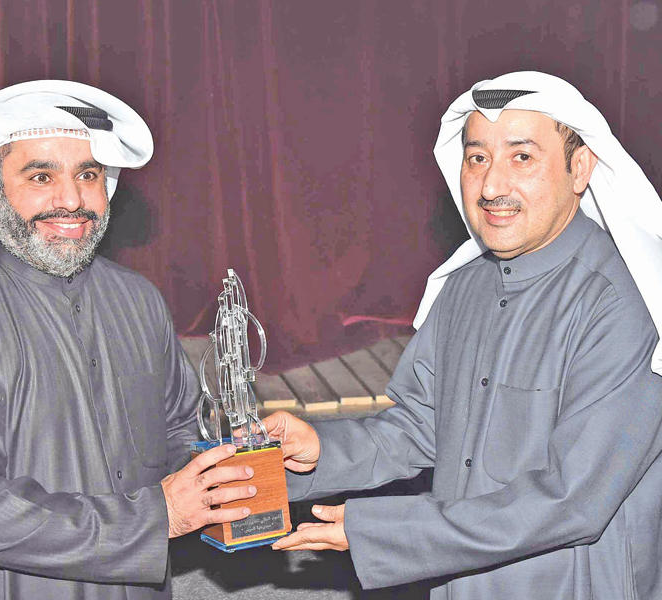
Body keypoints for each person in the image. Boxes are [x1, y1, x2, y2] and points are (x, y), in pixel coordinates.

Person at [264, 71, 662, 599]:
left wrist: (387, 531)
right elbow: (421, 427)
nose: (491, 186)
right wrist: (322, 450)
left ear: (580, 168)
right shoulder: (465, 285)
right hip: (458, 579)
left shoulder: (624, 303)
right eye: (477, 158)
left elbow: (572, 501)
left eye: (522, 157)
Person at [0, 81, 257, 599]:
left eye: (87, 175)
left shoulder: (138, 300)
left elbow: (181, 431)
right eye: (41, 176)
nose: (71, 199)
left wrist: (231, 472)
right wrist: (156, 517)